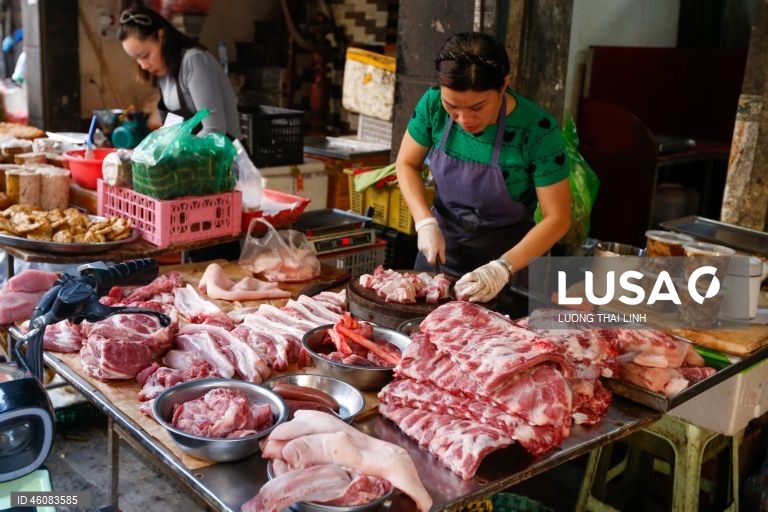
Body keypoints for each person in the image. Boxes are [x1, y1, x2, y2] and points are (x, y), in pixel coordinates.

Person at [396, 32, 571, 304]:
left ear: (504, 86)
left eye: (477, 107)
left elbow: (557, 218)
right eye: (452, 106)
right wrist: (425, 222)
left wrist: (502, 267)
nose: (464, 118)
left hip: (509, 263)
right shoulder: (432, 105)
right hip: (441, 255)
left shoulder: (537, 130)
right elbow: (406, 163)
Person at [118, 5, 240, 138]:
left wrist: (179, 155)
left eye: (145, 55)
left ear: (161, 36)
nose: (143, 65)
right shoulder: (165, 74)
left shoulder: (194, 61)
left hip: (225, 156)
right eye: (136, 59)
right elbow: (173, 131)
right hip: (197, 157)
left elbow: (214, 130)